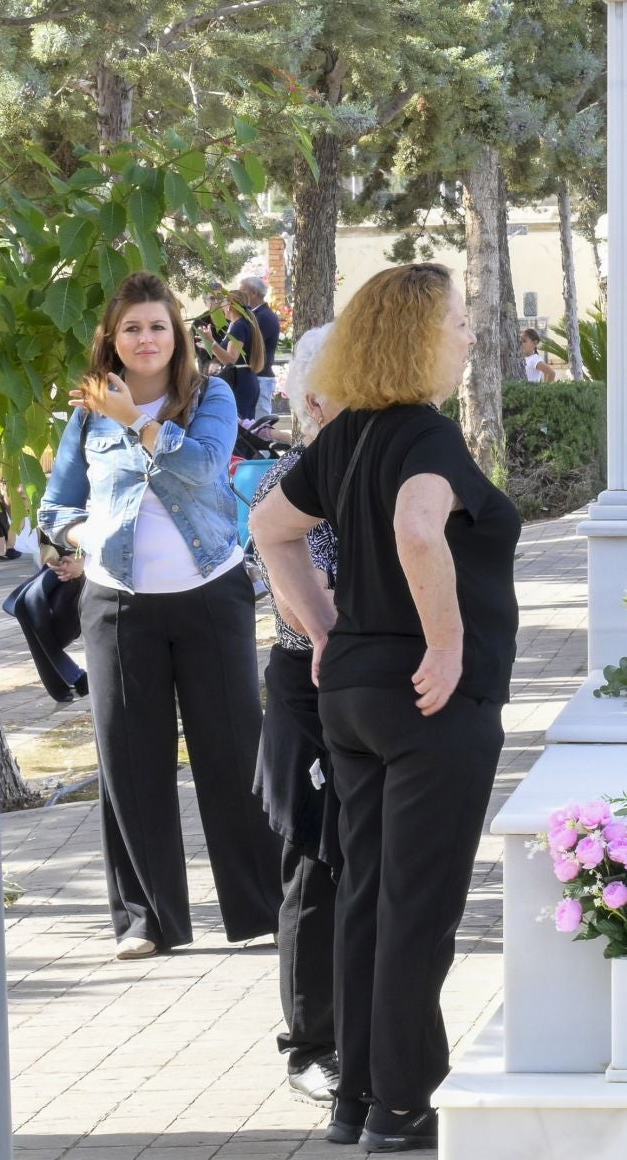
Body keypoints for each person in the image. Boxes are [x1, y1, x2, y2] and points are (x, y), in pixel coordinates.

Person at [253, 263, 520, 1152]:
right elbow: (416, 526)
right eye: (458, 319)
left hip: (356, 694)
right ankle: (402, 1106)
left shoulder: (348, 435)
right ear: (416, 335)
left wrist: (326, 628)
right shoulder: (427, 436)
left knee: (366, 894)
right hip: (428, 698)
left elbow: (270, 527)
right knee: (417, 906)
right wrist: (445, 642)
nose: (469, 334)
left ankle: (359, 1097)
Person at [38, 272, 283, 959]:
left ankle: (263, 908)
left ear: (177, 335)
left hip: (210, 593)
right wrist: (79, 538)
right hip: (117, 602)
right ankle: (146, 920)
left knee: (231, 751)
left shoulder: (211, 396)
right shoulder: (87, 413)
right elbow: (56, 509)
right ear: (112, 339)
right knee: (130, 760)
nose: (146, 338)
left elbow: (203, 468)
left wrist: (136, 421)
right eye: (132, 328)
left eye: (157, 326)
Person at [251, 322, 342, 1107]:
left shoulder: (377, 470)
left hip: (367, 685)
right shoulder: (289, 480)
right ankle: (311, 1045)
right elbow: (305, 597)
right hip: (307, 687)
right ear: (315, 400)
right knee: (313, 863)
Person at [1, 537, 86, 703]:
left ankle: (73, 679)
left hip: (80, 561)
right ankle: (74, 679)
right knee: (25, 605)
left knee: (30, 606)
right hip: (57, 560)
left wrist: (82, 560)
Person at [203, 276, 281, 420]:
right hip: (249, 377)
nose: (222, 308)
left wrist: (211, 343)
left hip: (247, 379)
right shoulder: (246, 321)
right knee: (250, 425)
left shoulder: (247, 322)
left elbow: (231, 358)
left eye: (224, 304)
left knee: (249, 426)